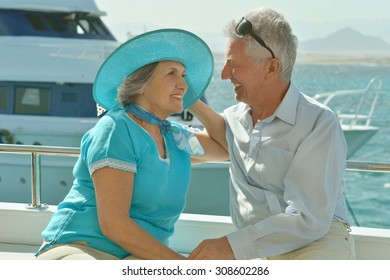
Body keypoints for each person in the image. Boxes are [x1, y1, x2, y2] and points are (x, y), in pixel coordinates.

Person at [35, 29, 228, 260]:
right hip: (81, 248)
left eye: (184, 75)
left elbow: (225, 148)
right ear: (141, 84)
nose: (183, 83)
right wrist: (181, 266)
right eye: (171, 74)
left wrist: (190, 98)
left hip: (135, 254)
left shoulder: (175, 137)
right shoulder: (116, 129)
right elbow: (114, 225)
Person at [188, 8, 356, 260]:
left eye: (233, 65)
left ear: (271, 67)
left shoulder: (318, 123)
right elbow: (190, 143)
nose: (223, 75)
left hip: (316, 244)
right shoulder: (234, 120)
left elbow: (308, 220)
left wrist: (230, 247)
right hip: (256, 248)